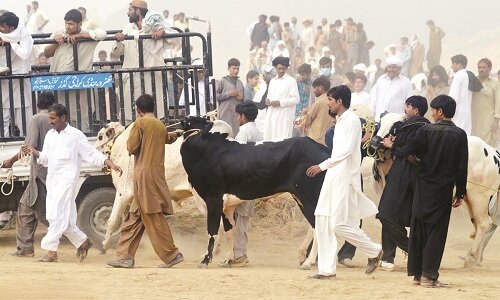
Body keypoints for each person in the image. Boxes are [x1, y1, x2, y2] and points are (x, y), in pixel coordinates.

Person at [24, 104, 122, 262]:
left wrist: (109, 163)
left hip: (67, 183)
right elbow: (47, 159)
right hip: (53, 182)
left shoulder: (76, 136)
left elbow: (91, 154)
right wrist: (34, 152)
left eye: (53, 118)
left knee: (56, 215)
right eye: (50, 118)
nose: (50, 122)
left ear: (63, 118)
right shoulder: (50, 135)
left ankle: (51, 251)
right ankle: (82, 242)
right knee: (64, 219)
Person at [306, 85, 382, 279]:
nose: (328, 103)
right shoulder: (340, 121)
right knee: (321, 219)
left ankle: (373, 250)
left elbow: (345, 151)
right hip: (334, 175)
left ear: (339, 101)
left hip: (344, 177)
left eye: (330, 100)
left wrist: (321, 166)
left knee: (338, 224)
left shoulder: (351, 121)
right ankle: (326, 270)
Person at [107, 94, 184, 269]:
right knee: (134, 216)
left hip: (143, 177)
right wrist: (176, 133)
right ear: (153, 107)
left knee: (152, 215)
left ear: (138, 110)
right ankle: (124, 256)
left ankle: (172, 255)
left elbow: (131, 147)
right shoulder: (159, 124)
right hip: (155, 176)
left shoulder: (140, 124)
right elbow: (167, 139)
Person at [406, 95, 468, 287]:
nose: (431, 113)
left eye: (433, 110)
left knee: (419, 229)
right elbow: (461, 167)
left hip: (423, 187)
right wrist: (460, 193)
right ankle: (429, 276)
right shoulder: (459, 134)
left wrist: (421, 166)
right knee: (436, 231)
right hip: (442, 190)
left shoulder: (425, 131)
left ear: (440, 111)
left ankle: (417, 276)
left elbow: (408, 153)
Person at [377, 96, 430, 270]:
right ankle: (395, 255)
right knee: (409, 215)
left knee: (386, 212)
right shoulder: (429, 127)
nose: (404, 110)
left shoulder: (406, 126)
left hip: (401, 174)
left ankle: (402, 253)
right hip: (420, 177)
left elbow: (407, 150)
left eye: (407, 107)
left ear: (415, 110)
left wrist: (390, 145)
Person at [2, 92, 54, 257]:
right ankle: (24, 249)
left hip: (39, 173)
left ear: (38, 104)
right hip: (49, 172)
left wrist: (11, 161)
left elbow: (28, 147)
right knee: (26, 209)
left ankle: (80, 239)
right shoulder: (56, 119)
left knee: (43, 215)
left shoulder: (37, 119)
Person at [44, 9, 106, 132]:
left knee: (81, 117)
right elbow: (47, 53)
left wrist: (78, 36)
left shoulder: (86, 36)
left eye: (71, 24)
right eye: (66, 23)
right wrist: (56, 42)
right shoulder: (59, 33)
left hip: (79, 85)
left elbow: (102, 33)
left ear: (80, 24)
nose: (67, 26)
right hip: (60, 84)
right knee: (60, 116)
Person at [111, 0, 172, 124]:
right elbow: (117, 52)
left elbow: (176, 39)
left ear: (137, 11)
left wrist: (163, 32)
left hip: (152, 78)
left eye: (130, 10)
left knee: (155, 115)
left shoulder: (156, 25)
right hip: (132, 78)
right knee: (130, 116)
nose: (128, 13)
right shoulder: (128, 28)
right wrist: (118, 40)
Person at [223, 101, 263, 267]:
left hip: (245, 181)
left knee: (240, 220)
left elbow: (236, 153)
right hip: (253, 179)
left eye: (238, 115)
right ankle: (237, 253)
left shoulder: (244, 131)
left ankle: (239, 254)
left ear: (243, 116)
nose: (237, 118)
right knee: (242, 219)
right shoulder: (257, 131)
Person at [0, 12, 33, 137]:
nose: (1, 29)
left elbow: (24, 54)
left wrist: (11, 43)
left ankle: (27, 140)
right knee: (4, 112)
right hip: (4, 78)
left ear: (11, 28)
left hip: (20, 78)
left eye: (3, 27)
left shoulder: (23, 33)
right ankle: (4, 139)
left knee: (23, 112)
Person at [263, 56, 299, 140]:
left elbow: (296, 99)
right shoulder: (272, 81)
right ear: (275, 68)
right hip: (272, 115)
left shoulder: (291, 81)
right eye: (279, 68)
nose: (281, 71)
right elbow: (269, 96)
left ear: (286, 68)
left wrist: (280, 102)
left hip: (284, 117)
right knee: (270, 139)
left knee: (283, 140)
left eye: (283, 68)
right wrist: (267, 101)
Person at [370, 56, 412, 121]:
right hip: (379, 120)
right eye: (389, 67)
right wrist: (371, 115)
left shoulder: (406, 82)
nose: (391, 70)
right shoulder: (381, 80)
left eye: (394, 67)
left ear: (399, 68)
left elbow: (410, 102)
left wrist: (406, 117)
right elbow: (374, 99)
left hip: (397, 121)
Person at [472, 58, 500, 147]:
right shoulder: (472, 82)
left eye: (484, 67)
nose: (481, 70)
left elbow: (498, 103)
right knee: (474, 145)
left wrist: (496, 121)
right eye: (479, 67)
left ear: (490, 69)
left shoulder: (495, 84)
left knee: (487, 147)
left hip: (488, 121)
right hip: (473, 120)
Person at [216, 58, 245, 135]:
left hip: (236, 115)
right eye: (234, 68)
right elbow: (216, 96)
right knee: (225, 135)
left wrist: (241, 97)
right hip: (225, 114)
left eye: (237, 69)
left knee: (236, 135)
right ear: (228, 69)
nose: (236, 71)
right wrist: (228, 94)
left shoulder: (240, 83)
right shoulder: (222, 81)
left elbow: (243, 99)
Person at [448, 54, 472, 135]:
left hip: (457, 112)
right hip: (465, 112)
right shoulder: (467, 75)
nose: (451, 66)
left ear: (458, 64)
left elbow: (453, 97)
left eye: (453, 64)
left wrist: (447, 112)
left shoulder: (458, 76)